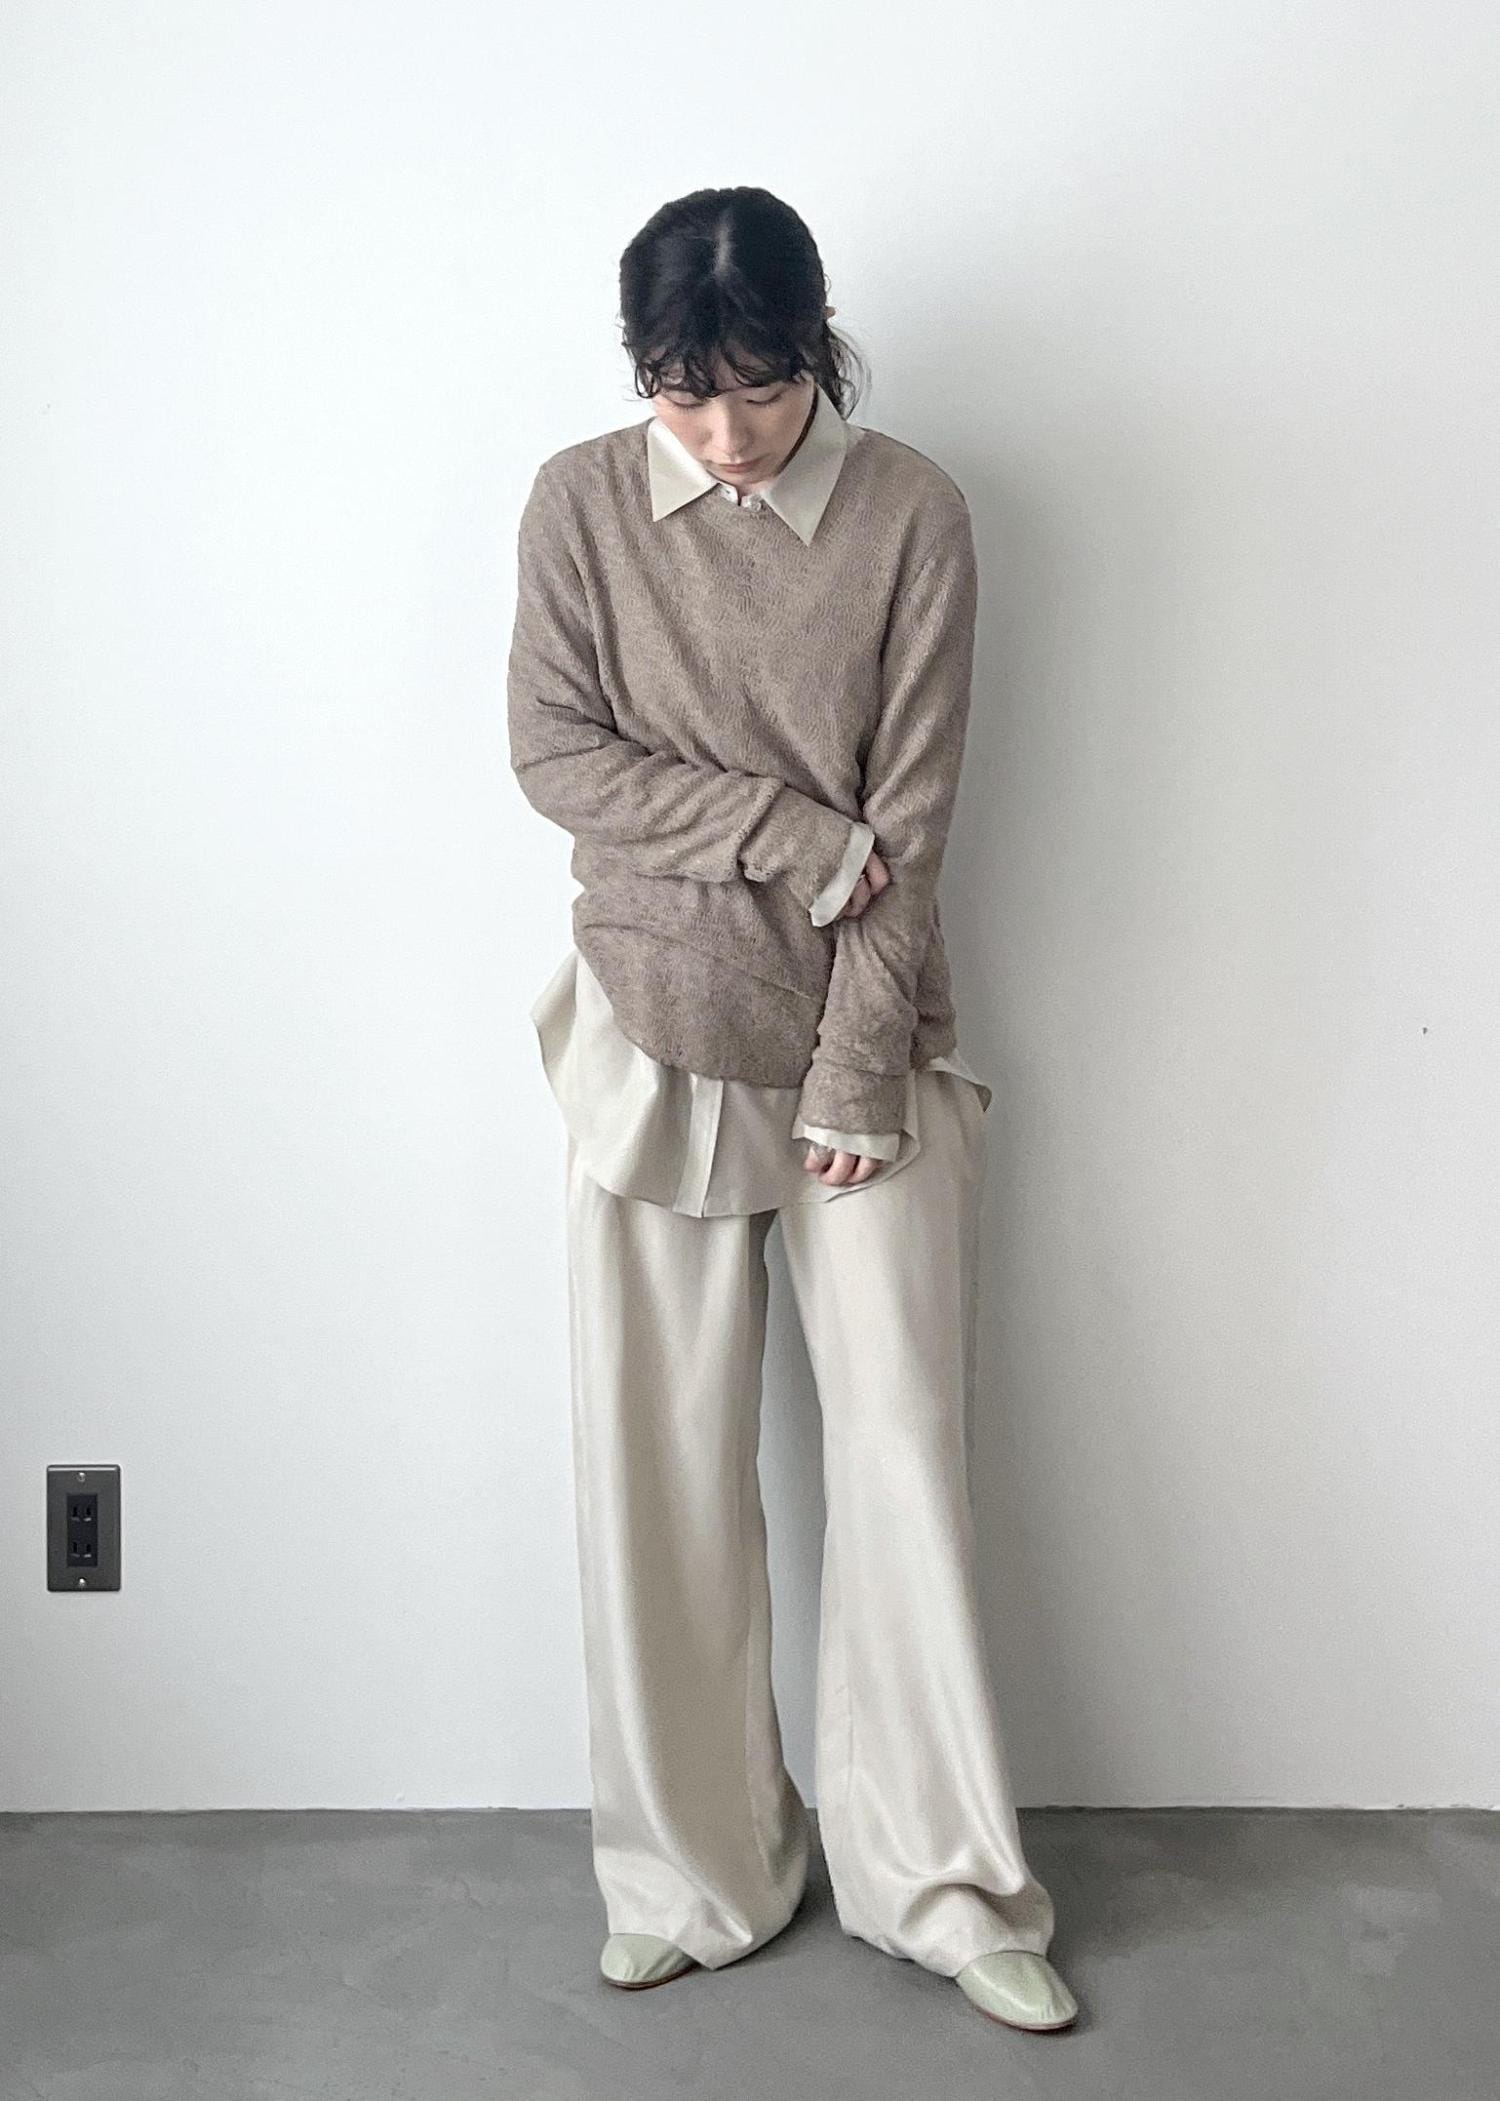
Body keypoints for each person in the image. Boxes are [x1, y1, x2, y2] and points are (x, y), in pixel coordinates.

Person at [506, 186, 1079, 2035]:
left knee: (903, 1460)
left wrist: (854, 1067)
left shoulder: (913, 512)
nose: (727, 433)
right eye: (684, 393)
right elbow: (557, 755)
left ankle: (942, 1881)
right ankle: (693, 1870)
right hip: (653, 1024)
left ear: (817, 351)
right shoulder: (580, 504)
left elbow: (912, 818)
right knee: (658, 1470)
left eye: (759, 387)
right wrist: (782, 832)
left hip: (863, 1034)